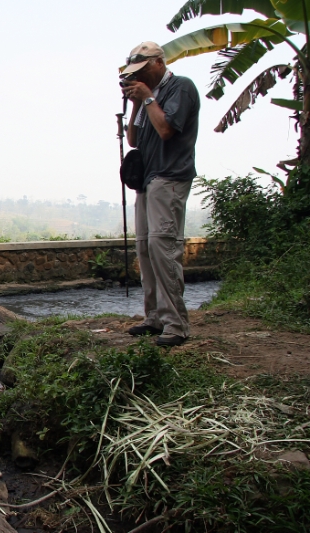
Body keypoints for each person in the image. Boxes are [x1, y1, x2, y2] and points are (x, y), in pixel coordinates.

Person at [121, 41, 200, 347]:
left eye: (141, 71)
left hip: (170, 176)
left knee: (163, 246)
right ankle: (154, 317)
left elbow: (167, 130)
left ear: (157, 63)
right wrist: (136, 102)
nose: (138, 77)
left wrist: (148, 98)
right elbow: (133, 139)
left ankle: (176, 324)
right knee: (145, 248)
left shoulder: (180, 88)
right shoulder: (146, 97)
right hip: (148, 179)